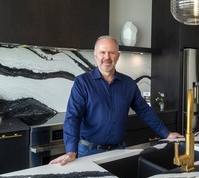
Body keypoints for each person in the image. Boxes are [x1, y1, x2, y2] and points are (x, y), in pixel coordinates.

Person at [49, 35, 183, 166]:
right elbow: (73, 117)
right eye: (102, 52)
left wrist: (166, 133)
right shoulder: (82, 83)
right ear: (95, 55)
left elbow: (144, 111)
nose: (106, 57)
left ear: (118, 56)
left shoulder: (128, 83)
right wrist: (71, 151)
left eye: (111, 52)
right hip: (88, 152)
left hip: (119, 150)